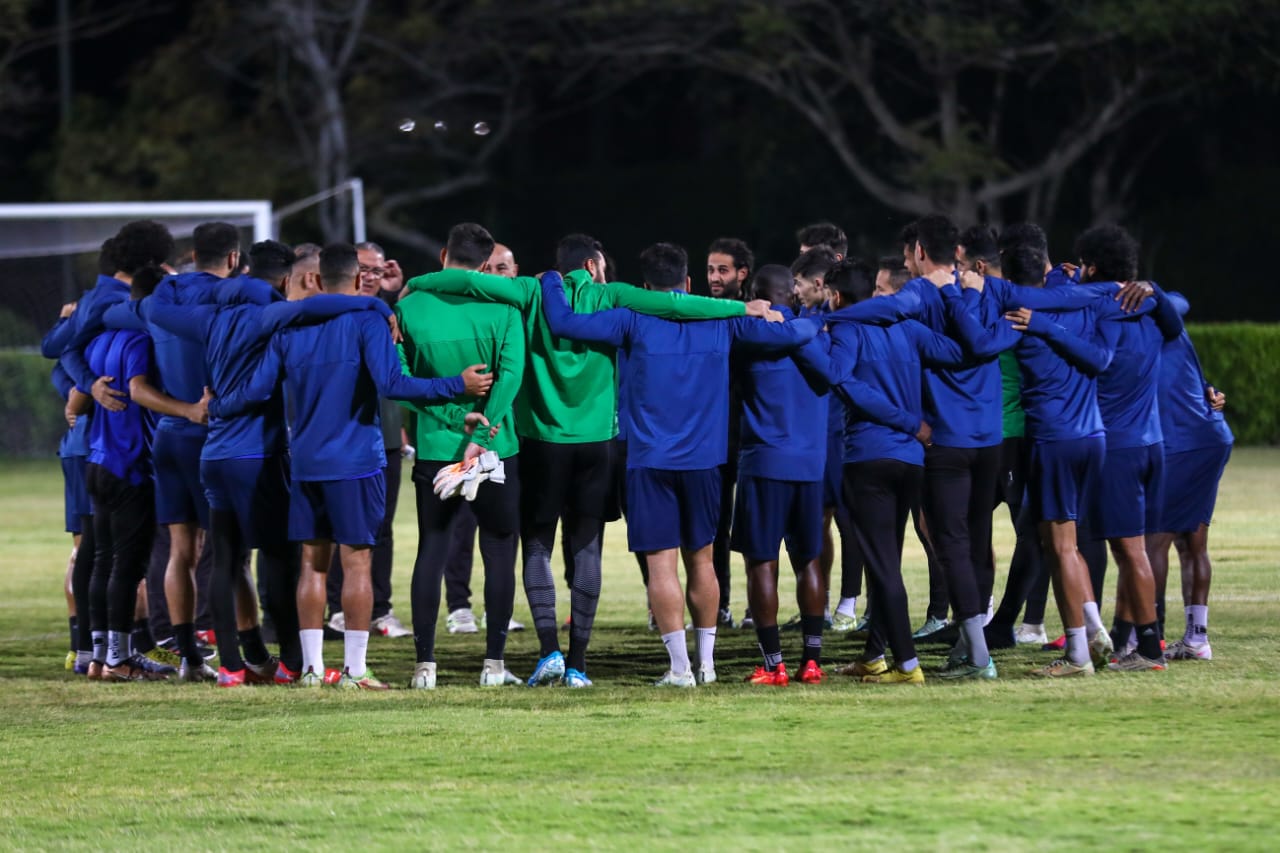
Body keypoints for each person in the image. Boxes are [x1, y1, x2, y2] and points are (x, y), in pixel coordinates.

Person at [409, 231, 761, 686]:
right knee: (586, 544)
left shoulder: (531, 290)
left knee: (537, 544)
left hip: (541, 440)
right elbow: (673, 304)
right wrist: (741, 308)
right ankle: (578, 663)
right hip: (597, 443)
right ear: (594, 265)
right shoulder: (611, 296)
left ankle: (549, 652)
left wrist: (417, 283)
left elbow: (468, 281)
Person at [210, 242, 488, 690]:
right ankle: (356, 671)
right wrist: (457, 385)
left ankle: (312, 669)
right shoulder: (367, 320)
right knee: (357, 564)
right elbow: (393, 384)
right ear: (359, 280)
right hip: (356, 461)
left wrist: (216, 406)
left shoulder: (291, 326)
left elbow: (257, 390)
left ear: (317, 280)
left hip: (305, 462)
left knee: (312, 564)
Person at [540, 242, 816, 688]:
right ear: (688, 282)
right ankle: (707, 663)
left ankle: (680, 669)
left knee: (661, 565)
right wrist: (815, 318)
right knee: (702, 560)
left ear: (645, 286)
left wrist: (553, 280)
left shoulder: (631, 318)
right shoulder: (721, 319)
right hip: (705, 462)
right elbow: (787, 335)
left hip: (649, 460)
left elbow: (563, 323)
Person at [824, 258, 966, 685]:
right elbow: (959, 352)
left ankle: (906, 664)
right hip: (911, 461)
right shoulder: (908, 328)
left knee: (884, 565)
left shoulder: (848, 329)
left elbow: (840, 379)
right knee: (885, 560)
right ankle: (874, 655)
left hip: (869, 457)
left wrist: (907, 421)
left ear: (836, 296)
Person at [396, 223, 523, 689]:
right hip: (494, 449)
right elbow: (511, 377)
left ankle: (425, 666)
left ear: (443, 254)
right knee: (499, 549)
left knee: (432, 548)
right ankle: (493, 665)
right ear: (486, 264)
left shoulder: (408, 308)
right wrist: (483, 430)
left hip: (435, 447)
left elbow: (401, 382)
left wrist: (451, 415)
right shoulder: (504, 309)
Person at [84, 264, 207, 681]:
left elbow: (81, 389)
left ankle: (99, 655)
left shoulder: (102, 338)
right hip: (129, 463)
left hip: (98, 459)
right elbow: (137, 389)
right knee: (127, 566)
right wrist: (187, 410)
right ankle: (118, 660)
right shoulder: (141, 337)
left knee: (104, 561)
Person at [732, 265, 832, 686]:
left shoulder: (747, 334)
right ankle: (812, 661)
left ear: (754, 297)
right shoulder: (817, 335)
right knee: (809, 559)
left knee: (762, 563)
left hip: (764, 462)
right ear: (792, 294)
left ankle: (774, 665)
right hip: (810, 464)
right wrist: (813, 321)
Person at [326, 240, 414, 639]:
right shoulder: (333, 314)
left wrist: (394, 293)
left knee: (382, 527)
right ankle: (337, 608)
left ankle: (380, 609)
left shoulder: (386, 315)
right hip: (342, 435)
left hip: (385, 437)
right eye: (363, 269)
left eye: (377, 270)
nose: (370, 277)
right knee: (337, 527)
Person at [1146, 292, 1232, 661]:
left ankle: (1148, 637)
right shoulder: (1161, 320)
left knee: (1154, 541)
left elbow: (1179, 301)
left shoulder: (1140, 324)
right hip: (1209, 436)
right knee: (1191, 541)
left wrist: (1149, 289)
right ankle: (1196, 639)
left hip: (1182, 442)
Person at [706, 237, 755, 627]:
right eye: (710, 270)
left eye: (723, 270)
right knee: (716, 526)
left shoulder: (759, 313)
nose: (715, 277)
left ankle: (757, 607)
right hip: (716, 437)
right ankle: (720, 605)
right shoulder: (704, 314)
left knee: (755, 527)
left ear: (742, 273)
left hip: (754, 436)